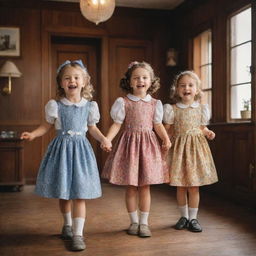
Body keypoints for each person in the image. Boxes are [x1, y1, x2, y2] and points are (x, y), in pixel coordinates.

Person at [20, 60, 111, 251]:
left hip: (81, 153)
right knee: (64, 193)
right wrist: (33, 134)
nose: (72, 81)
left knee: (80, 194)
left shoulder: (89, 106)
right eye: (67, 78)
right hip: (61, 152)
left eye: (76, 77)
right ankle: (67, 224)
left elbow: (92, 128)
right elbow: (46, 126)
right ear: (61, 83)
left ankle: (78, 234)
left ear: (84, 81)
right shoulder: (56, 105)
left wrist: (104, 139)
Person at [101, 61, 171, 238]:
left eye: (145, 77)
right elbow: (117, 124)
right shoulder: (123, 102)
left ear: (151, 81)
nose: (141, 80)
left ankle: (144, 223)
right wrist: (107, 139)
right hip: (129, 147)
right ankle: (133, 221)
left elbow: (157, 125)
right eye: (136, 77)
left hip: (148, 147)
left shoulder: (155, 103)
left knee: (145, 186)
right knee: (131, 186)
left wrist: (166, 138)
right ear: (130, 82)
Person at [163, 70, 218, 232]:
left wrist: (207, 132)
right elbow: (168, 129)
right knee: (181, 185)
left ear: (197, 89)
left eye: (190, 85)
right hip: (179, 150)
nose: (186, 88)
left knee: (194, 186)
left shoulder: (201, 108)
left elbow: (201, 127)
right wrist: (164, 141)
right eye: (182, 85)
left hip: (195, 151)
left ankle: (193, 218)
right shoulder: (172, 109)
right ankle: (183, 216)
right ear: (177, 89)